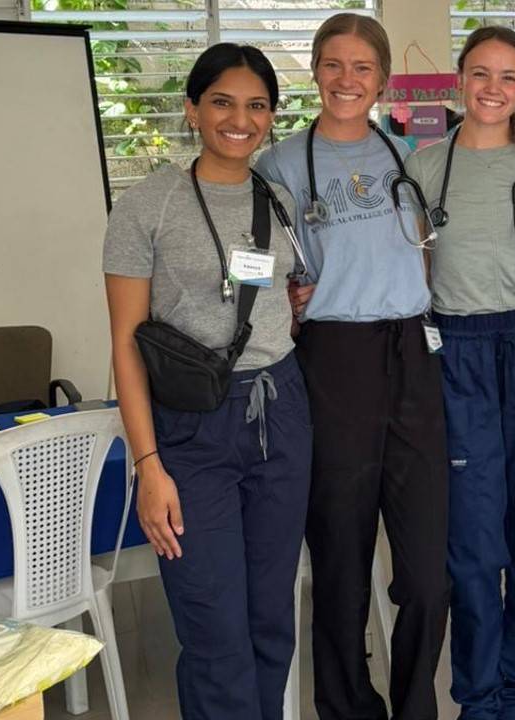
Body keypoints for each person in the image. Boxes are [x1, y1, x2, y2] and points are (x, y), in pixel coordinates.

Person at [104, 43, 310, 720]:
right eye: (222, 101)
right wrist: (149, 466)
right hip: (191, 430)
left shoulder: (277, 202)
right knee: (214, 627)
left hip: (280, 415)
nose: (239, 119)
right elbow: (126, 346)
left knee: (270, 617)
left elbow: (286, 298)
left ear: (271, 117)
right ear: (193, 109)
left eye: (256, 106)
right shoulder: (147, 207)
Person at [255, 13, 450, 720]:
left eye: (362, 67)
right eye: (333, 65)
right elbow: (256, 265)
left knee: (430, 571)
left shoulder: (409, 155)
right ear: (315, 71)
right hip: (331, 358)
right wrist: (288, 299)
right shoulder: (276, 165)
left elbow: (425, 246)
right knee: (339, 558)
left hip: (412, 351)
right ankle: (346, 707)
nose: (347, 79)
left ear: (382, 79)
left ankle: (413, 703)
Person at [404, 26, 515, 720]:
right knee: (473, 544)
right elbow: (412, 271)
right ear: (458, 81)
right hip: (458, 354)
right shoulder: (425, 166)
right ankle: (478, 694)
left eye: (509, 77)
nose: (494, 89)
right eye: (481, 74)